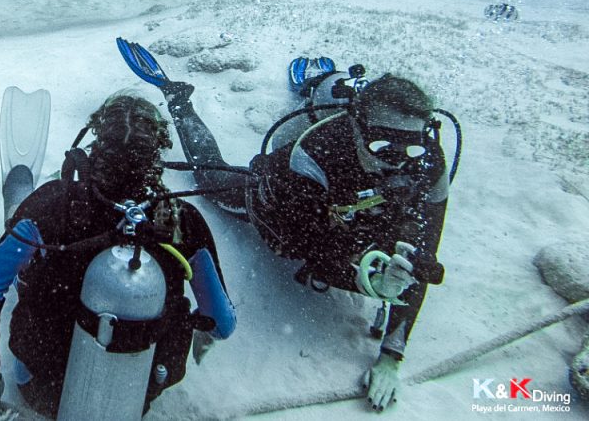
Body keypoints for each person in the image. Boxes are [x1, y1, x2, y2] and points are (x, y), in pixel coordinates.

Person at [117, 38, 455, 413]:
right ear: (356, 130)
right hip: (281, 207)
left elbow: (424, 253)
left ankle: (323, 82)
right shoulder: (314, 155)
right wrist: (368, 279)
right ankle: (178, 97)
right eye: (382, 147)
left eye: (411, 147)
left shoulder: (428, 163)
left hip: (354, 216)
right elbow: (307, 251)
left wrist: (391, 354)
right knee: (210, 175)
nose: (399, 162)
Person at [0, 93, 237, 420]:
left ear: (96, 144)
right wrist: (200, 331)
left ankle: (17, 207)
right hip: (134, 399)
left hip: (43, 391)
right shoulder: (183, 221)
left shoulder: (53, 205)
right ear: (157, 154)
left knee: (28, 259)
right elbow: (223, 323)